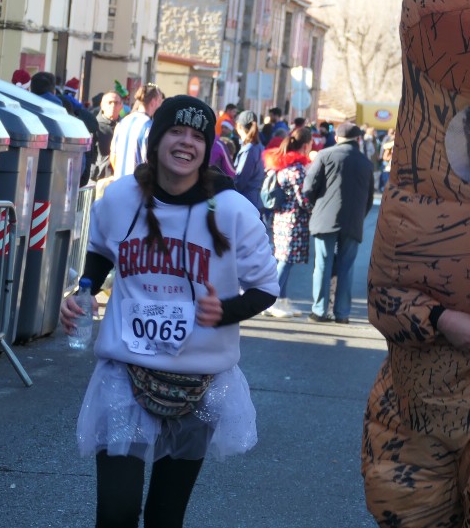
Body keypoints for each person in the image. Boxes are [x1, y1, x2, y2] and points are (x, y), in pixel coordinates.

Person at [58, 95, 277, 528]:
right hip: (126, 372)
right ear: (156, 140)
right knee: (117, 511)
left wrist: (225, 310)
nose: (186, 143)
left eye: (198, 136)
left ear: (208, 149)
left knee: (165, 516)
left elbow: (266, 287)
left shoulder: (233, 211)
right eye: (176, 131)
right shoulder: (121, 197)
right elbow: (102, 249)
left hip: (199, 380)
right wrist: (82, 291)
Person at [303, 122, 374, 324]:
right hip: (353, 222)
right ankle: (342, 313)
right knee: (346, 267)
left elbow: (308, 187)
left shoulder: (325, 155)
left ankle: (319, 310)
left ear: (336, 138)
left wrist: (317, 205)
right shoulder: (366, 163)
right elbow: (368, 199)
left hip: (325, 218)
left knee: (323, 265)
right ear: (358, 139)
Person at [261, 126, 313, 318]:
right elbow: (303, 199)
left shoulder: (284, 164)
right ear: (306, 145)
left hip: (282, 217)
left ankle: (281, 299)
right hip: (293, 220)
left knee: (285, 260)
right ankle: (271, 300)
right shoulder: (297, 168)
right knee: (284, 261)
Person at [110, 85, 164, 178]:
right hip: (138, 183)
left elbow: (113, 156)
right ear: (153, 101)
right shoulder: (148, 126)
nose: (160, 105)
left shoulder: (122, 122)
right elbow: (148, 161)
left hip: (120, 180)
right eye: (159, 101)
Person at [232, 110, 265, 213]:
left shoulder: (249, 150)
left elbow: (241, 180)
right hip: (255, 200)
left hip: (247, 201)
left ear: (239, 127)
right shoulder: (259, 146)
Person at [90, 91, 123, 182]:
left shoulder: (125, 126)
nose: (113, 106)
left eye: (116, 103)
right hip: (98, 178)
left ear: (121, 106)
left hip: (119, 177)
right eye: (109, 102)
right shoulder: (94, 125)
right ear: (102, 105)